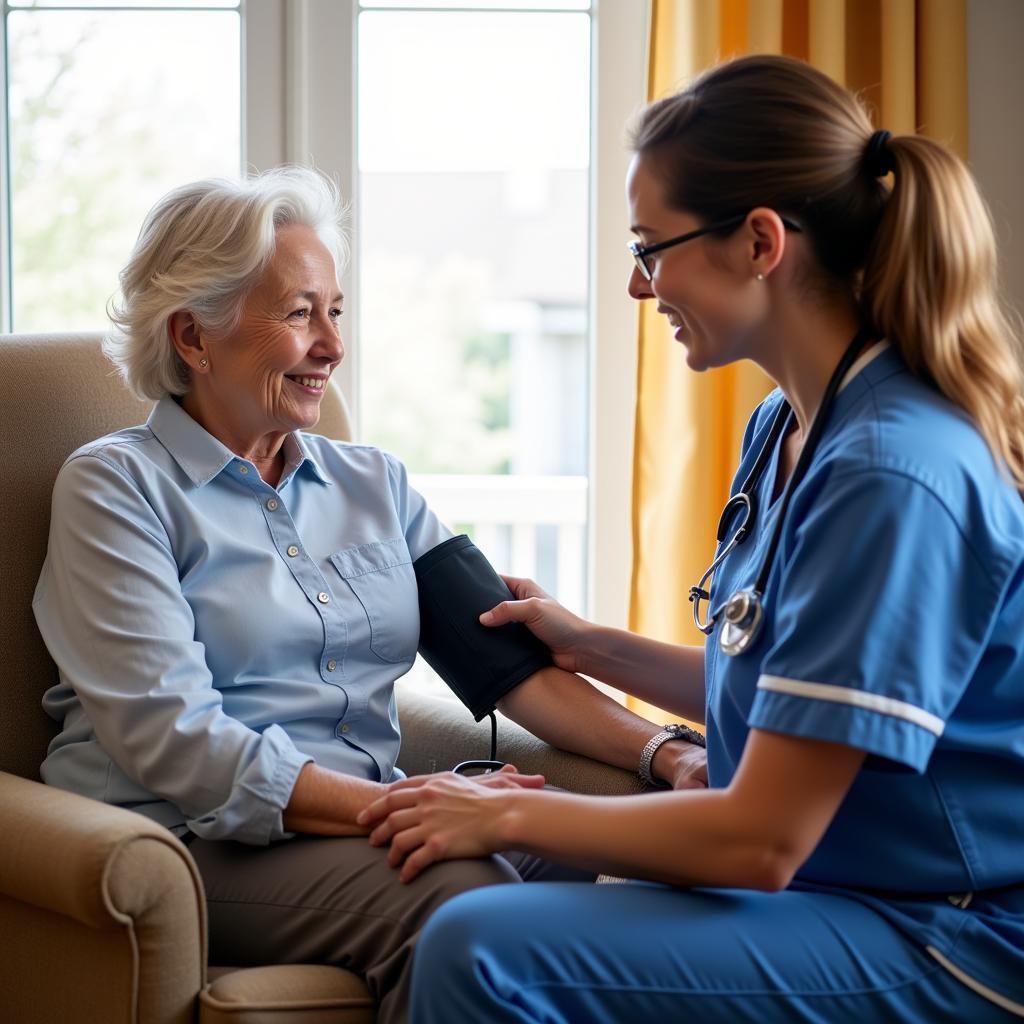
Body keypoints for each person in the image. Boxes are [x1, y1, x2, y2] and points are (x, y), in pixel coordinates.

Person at [358, 54, 1024, 1022]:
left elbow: (761, 838)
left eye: (649, 247)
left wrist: (500, 809)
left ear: (759, 241)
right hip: (842, 887)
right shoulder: (788, 429)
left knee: (483, 945)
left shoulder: (891, 470)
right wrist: (593, 644)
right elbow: (794, 694)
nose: (638, 286)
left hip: (948, 931)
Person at [32, 167, 709, 1024]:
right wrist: (413, 805)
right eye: (299, 312)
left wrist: (669, 756)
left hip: (355, 824)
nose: (333, 346)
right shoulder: (114, 488)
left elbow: (508, 663)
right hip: (197, 839)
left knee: (597, 847)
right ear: (192, 336)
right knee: (466, 893)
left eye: (335, 311)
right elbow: (175, 740)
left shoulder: (374, 483)